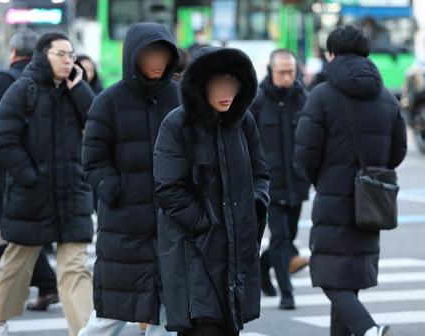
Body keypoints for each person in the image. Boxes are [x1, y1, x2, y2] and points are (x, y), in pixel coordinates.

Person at [295, 24, 407, 336]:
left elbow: (305, 153)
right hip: (371, 196)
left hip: (333, 195)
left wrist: (323, 179)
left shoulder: (321, 95)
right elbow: (398, 149)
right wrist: (372, 170)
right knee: (349, 276)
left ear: (331, 53)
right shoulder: (386, 97)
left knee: (329, 274)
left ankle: (369, 329)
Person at [153, 47, 270, 335]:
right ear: (200, 85)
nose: (226, 90)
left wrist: (251, 209)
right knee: (203, 326)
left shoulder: (243, 122)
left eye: (232, 82)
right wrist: (204, 225)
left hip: (235, 249)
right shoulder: (177, 124)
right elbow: (169, 188)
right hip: (194, 251)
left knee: (230, 325)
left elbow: (260, 174)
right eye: (218, 83)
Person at [0, 32, 95, 336]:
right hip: (32, 195)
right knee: (17, 263)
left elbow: (100, 125)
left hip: (72, 194)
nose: (67, 60)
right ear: (41, 56)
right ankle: (0, 319)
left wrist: (80, 89)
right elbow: (4, 139)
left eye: (71, 55)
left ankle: (84, 331)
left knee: (75, 268)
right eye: (60, 54)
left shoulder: (77, 91)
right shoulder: (23, 89)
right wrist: (29, 177)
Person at [80, 22, 180, 336]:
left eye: (163, 54)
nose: (157, 62)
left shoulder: (180, 97)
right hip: (125, 228)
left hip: (172, 225)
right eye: (150, 54)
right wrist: (113, 190)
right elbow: (93, 159)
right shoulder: (108, 101)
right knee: (110, 316)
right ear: (133, 56)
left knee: (167, 316)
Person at [0, 28, 59, 312]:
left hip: (12, 169)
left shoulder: (5, 79)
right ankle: (46, 285)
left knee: (16, 234)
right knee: (27, 232)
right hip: (45, 169)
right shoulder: (52, 81)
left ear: (12, 52)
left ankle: (40, 289)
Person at [250, 49, 310, 309]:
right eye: (281, 71)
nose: (287, 76)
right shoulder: (259, 101)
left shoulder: (304, 99)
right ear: (271, 71)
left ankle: (264, 269)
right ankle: (288, 294)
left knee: (289, 236)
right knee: (280, 237)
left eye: (291, 71)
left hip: (297, 180)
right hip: (270, 183)